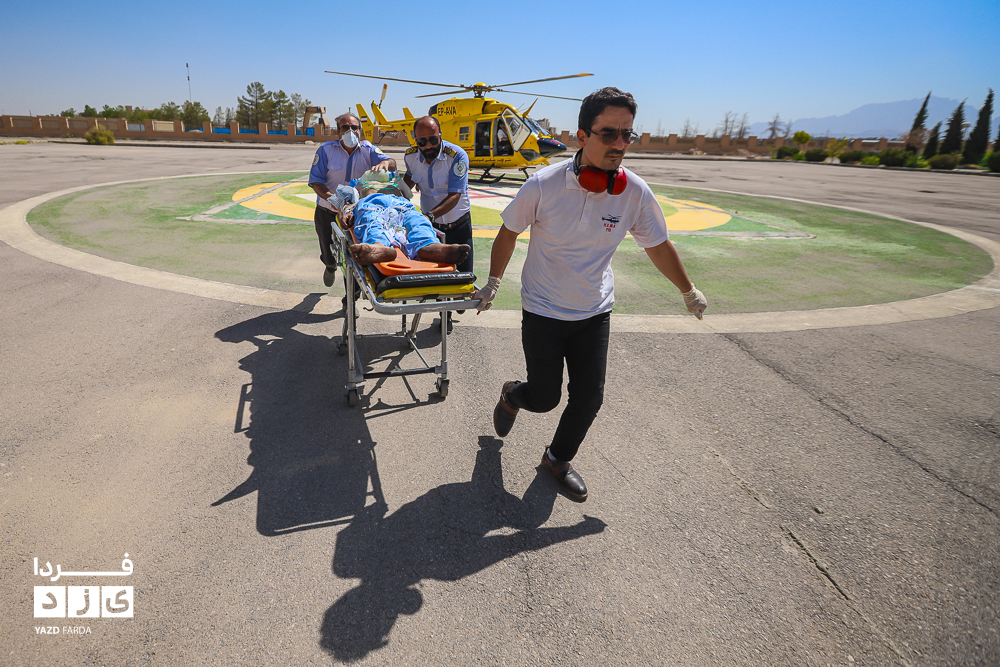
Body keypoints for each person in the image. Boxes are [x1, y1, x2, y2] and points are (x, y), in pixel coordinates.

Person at [474, 87, 708, 501]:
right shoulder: (543, 185)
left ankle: (557, 459)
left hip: (594, 311)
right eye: (609, 133)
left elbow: (657, 245)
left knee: (589, 399)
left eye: (627, 134)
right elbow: (508, 232)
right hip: (543, 309)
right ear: (582, 136)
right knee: (544, 398)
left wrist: (688, 291)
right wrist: (493, 283)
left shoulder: (635, 192)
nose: (620, 143)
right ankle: (513, 394)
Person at [309, 113, 396, 286]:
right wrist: (334, 199)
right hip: (327, 211)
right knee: (328, 253)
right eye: (345, 127)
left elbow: (391, 162)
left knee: (354, 257)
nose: (350, 131)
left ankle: (350, 297)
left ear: (360, 131)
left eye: (354, 127)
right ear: (338, 131)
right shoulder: (326, 150)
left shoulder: (368, 149)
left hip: (354, 214)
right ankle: (329, 266)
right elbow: (316, 182)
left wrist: (386, 163)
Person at [402, 116, 473, 275]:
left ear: (440, 134)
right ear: (416, 140)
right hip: (430, 231)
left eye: (433, 140)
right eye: (422, 142)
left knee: (464, 278)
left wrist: (429, 216)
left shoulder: (456, 156)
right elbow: (405, 187)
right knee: (432, 279)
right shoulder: (411, 157)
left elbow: (455, 196)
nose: (428, 146)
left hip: (459, 227)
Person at [339, 189, 470, 267]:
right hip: (371, 205)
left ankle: (429, 245)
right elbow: (341, 200)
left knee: (418, 221)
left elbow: (393, 165)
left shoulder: (396, 185)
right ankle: (378, 246)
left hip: (402, 206)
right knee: (372, 221)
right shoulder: (359, 196)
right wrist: (348, 212)